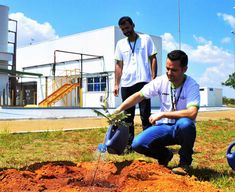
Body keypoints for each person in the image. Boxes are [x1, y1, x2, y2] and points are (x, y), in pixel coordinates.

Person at [115, 50, 200, 175]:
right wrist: (119, 109)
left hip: (180, 129)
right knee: (138, 144)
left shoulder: (192, 85)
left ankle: (184, 164)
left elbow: (192, 113)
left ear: (184, 69)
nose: (169, 73)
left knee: (186, 124)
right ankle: (165, 155)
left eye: (174, 70)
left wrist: (164, 114)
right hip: (164, 127)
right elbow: (139, 95)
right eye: (167, 68)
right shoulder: (161, 81)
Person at [114, 16, 157, 153]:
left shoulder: (146, 39)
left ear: (133, 25)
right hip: (127, 83)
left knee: (145, 114)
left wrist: (153, 77)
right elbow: (118, 65)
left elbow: (153, 58)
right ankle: (129, 145)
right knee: (128, 117)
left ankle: (148, 143)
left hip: (144, 81)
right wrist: (116, 84)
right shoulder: (120, 44)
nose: (125, 31)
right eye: (123, 29)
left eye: (127, 27)